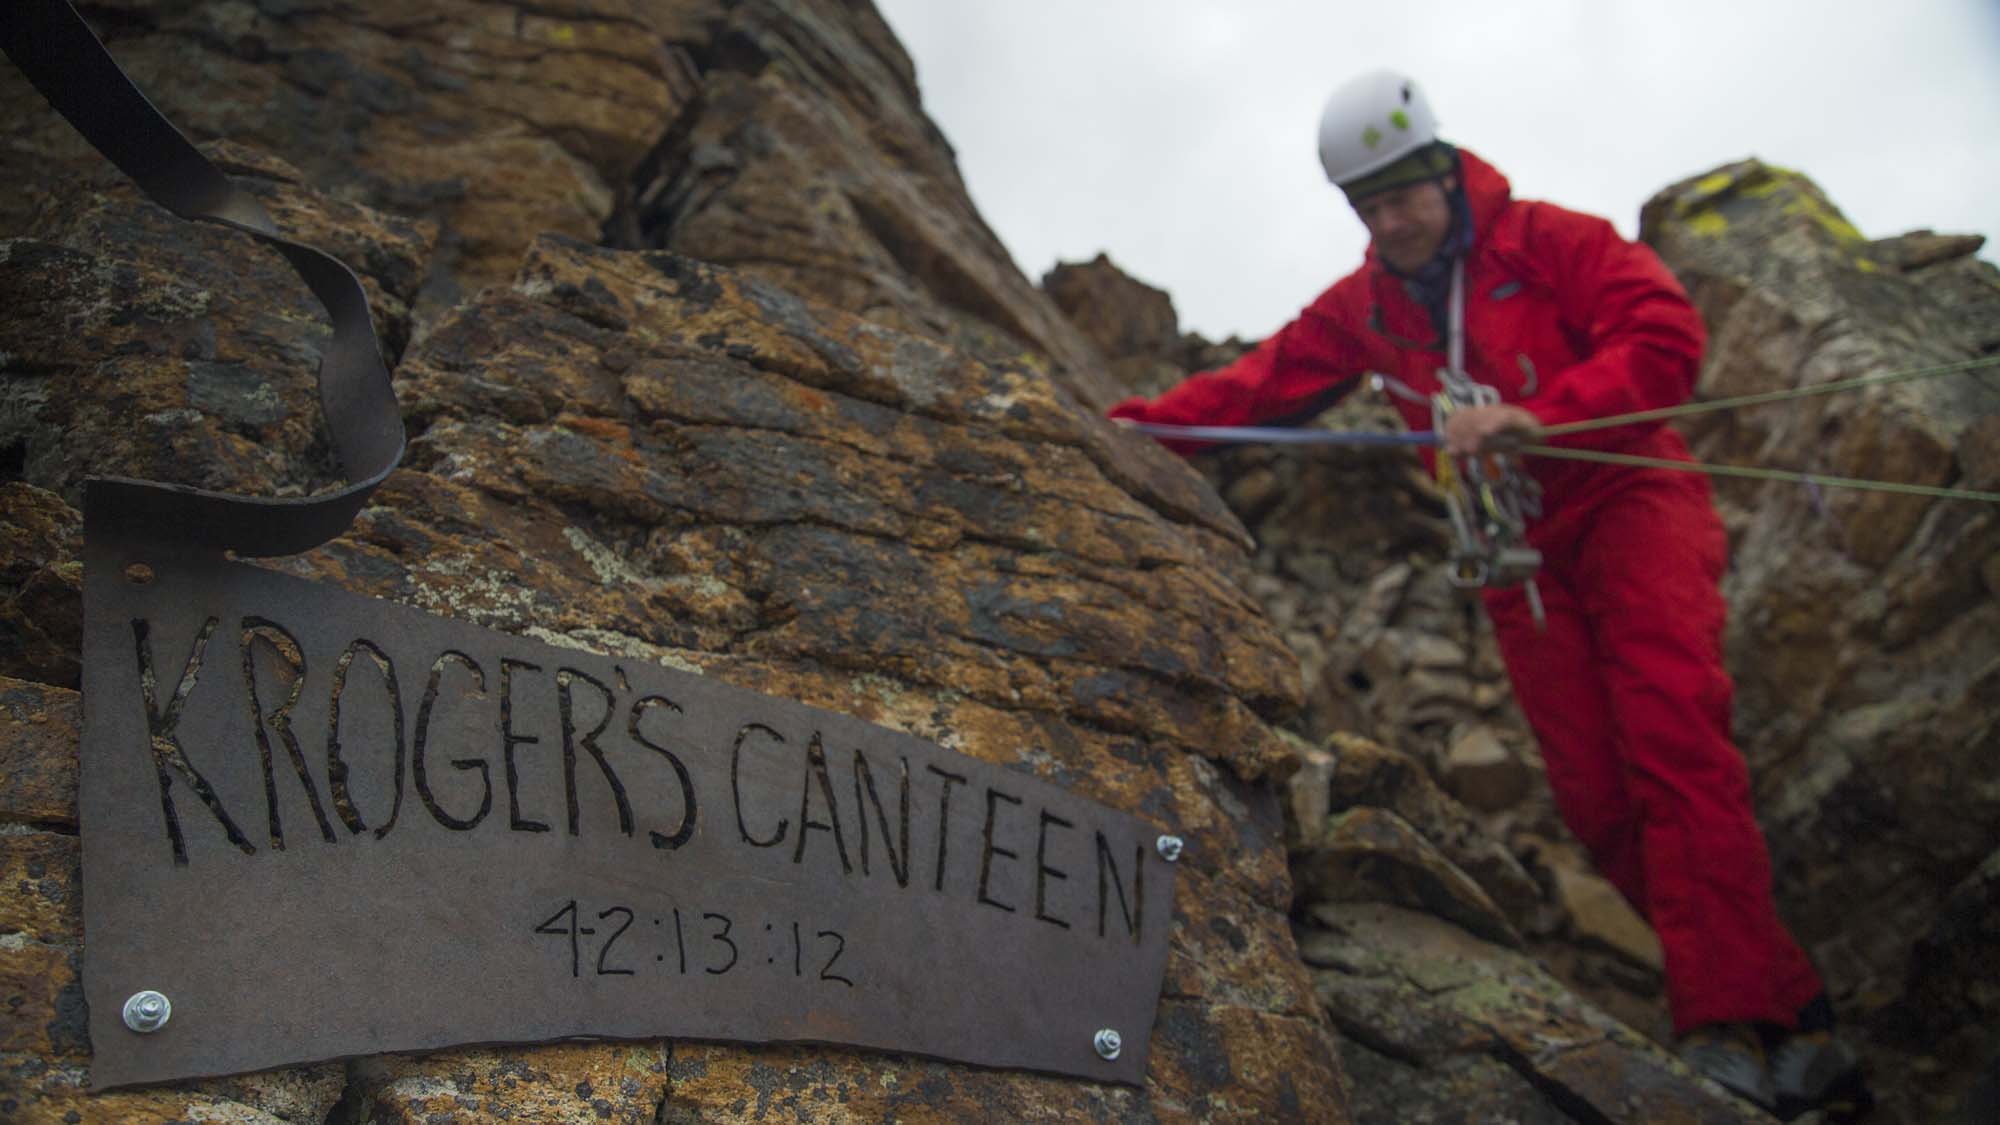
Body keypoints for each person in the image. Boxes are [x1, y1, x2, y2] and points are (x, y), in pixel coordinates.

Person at [1108, 70, 1871, 1120]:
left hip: (1626, 501)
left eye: (1402, 195)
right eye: (1366, 206)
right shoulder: (1365, 307)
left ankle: (1721, 1024)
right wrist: (1137, 426)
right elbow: (1265, 381)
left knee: (1672, 744)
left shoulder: (1552, 241)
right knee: (1595, 802)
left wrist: (1541, 414)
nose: (1389, 220)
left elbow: (1661, 339)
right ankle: (1791, 1016)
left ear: (1442, 170)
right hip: (1515, 553)